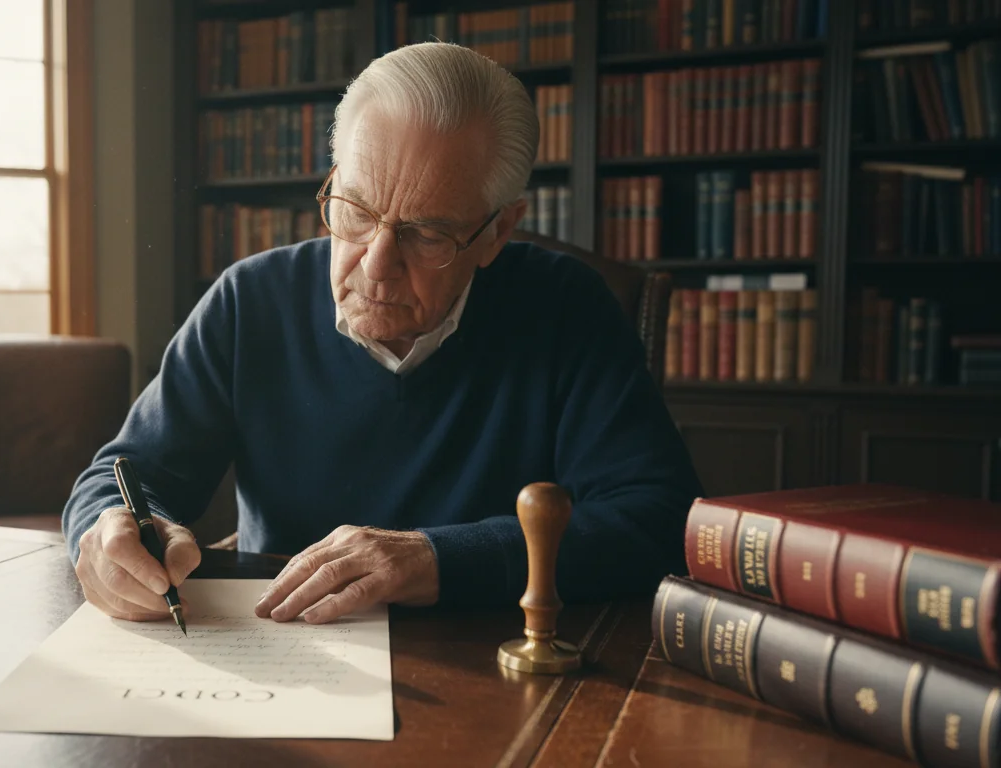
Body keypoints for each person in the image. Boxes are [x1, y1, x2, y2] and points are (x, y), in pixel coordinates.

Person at [63, 41, 703, 626]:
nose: (375, 265)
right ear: (333, 180)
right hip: (285, 650)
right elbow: (124, 474)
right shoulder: (249, 300)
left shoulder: (567, 307)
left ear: (498, 232)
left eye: (427, 234)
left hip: (490, 656)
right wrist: (111, 529)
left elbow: (659, 519)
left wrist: (438, 558)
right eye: (355, 211)